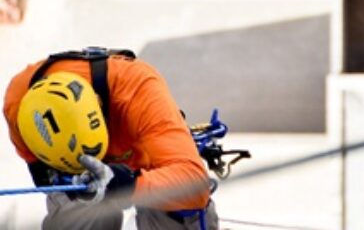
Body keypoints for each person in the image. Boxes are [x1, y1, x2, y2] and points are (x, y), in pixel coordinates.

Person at [3, 48, 218, 229]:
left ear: (98, 103)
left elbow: (194, 186)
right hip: (76, 173)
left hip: (147, 161)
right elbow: (42, 174)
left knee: (176, 209)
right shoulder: (18, 107)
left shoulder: (139, 90)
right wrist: (73, 183)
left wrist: (129, 186)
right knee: (81, 210)